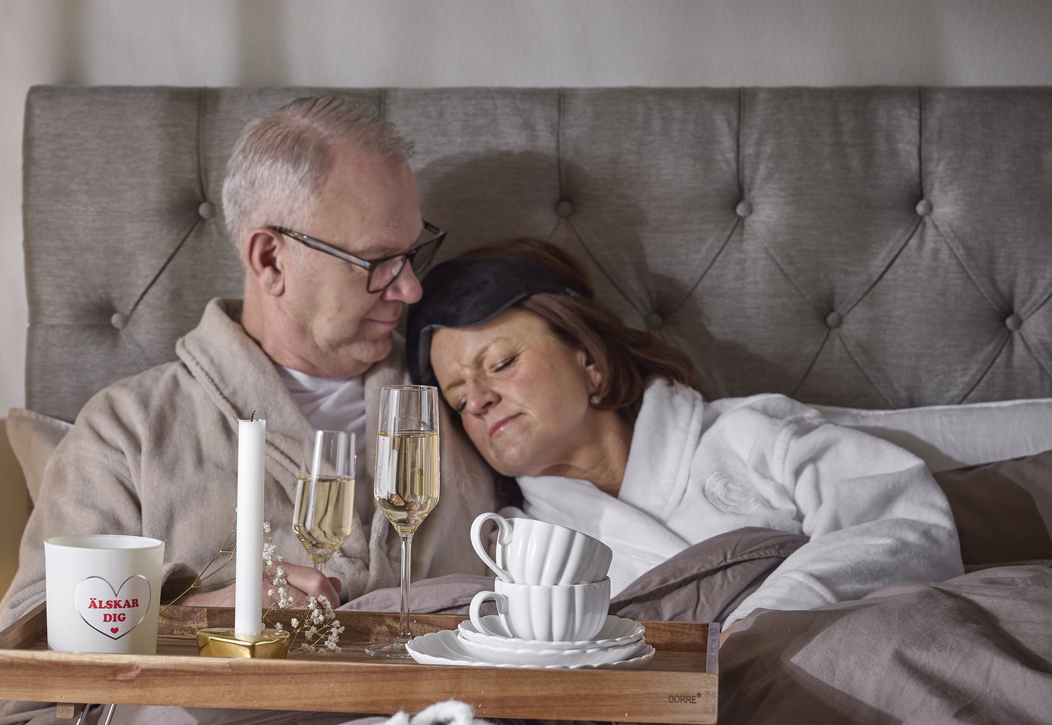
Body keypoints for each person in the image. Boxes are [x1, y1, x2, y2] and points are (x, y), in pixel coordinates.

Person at [0, 97, 497, 631]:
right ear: (270, 260)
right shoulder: (127, 430)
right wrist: (197, 615)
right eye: (376, 262)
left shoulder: (465, 396)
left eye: (413, 253)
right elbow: (27, 636)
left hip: (453, 710)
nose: (411, 288)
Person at [409, 238, 961, 623]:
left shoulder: (750, 436)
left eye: (501, 364)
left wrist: (768, 621)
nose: (478, 400)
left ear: (589, 358)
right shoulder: (518, 548)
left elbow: (909, 525)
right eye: (457, 399)